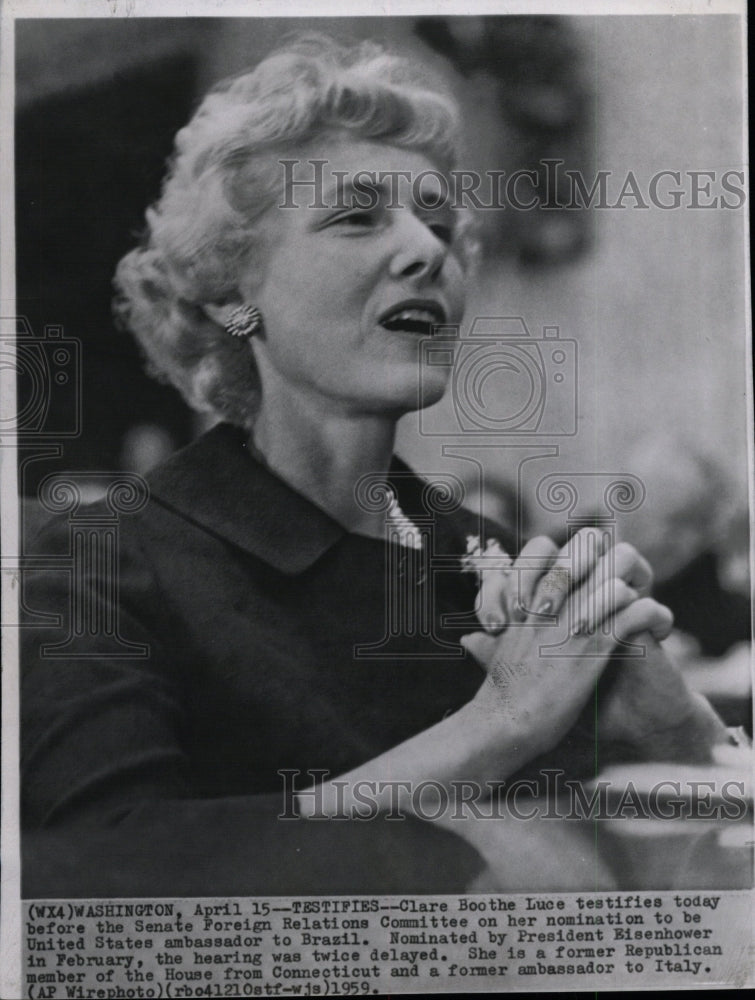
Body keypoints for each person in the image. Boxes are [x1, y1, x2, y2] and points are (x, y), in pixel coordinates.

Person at [21, 36, 729, 898]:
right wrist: (500, 724)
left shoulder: (489, 557)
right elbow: (98, 878)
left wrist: (674, 734)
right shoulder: (103, 560)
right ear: (231, 296)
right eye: (358, 216)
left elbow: (656, 898)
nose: (428, 251)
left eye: (438, 222)